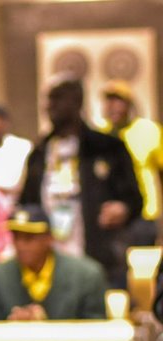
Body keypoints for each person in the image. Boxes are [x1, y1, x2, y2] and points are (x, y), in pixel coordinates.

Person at [20, 75, 143, 289]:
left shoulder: (108, 147)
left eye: (57, 99)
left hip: (99, 256)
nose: (49, 106)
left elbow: (135, 199)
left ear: (77, 101)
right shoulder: (39, 153)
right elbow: (27, 202)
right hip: (49, 260)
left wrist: (123, 209)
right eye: (48, 100)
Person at [0, 205, 107, 321]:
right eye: (16, 237)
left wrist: (46, 325)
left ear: (49, 238)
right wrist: (12, 326)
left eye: (29, 238)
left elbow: (96, 328)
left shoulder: (86, 276)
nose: (21, 245)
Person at [98, 79, 163, 247]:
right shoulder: (100, 135)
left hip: (144, 215)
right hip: (111, 217)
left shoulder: (149, 131)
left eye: (118, 101)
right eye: (109, 101)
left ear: (129, 105)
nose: (113, 106)